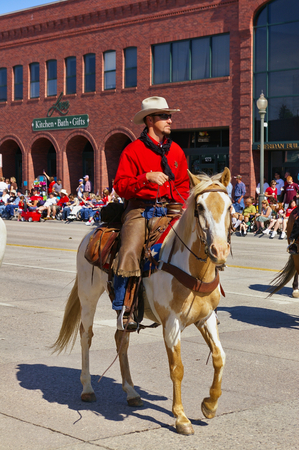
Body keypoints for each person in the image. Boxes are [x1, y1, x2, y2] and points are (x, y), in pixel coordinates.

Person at [112, 96, 189, 329]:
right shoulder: (132, 150)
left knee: (195, 243)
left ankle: (202, 301)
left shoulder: (176, 151)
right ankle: (122, 309)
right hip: (140, 210)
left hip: (170, 210)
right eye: (165, 116)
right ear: (149, 120)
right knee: (130, 251)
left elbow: (184, 185)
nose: (170, 120)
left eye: (169, 116)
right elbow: (120, 186)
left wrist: (182, 206)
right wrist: (145, 177)